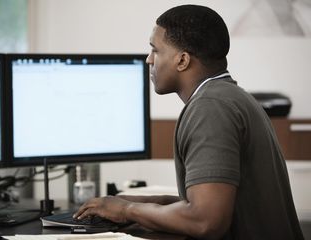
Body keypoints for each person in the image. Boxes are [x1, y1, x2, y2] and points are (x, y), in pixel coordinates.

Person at [74, 4, 304, 240]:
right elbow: (209, 204)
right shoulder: (229, 96)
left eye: (155, 50)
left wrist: (126, 211)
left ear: (182, 60)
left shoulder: (210, 107)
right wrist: (135, 202)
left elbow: (206, 220)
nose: (148, 60)